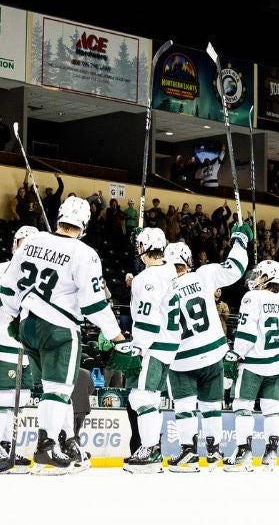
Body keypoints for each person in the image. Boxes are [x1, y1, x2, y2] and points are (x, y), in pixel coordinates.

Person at [0, 196, 126, 474]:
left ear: (60, 217)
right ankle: (47, 446)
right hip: (59, 328)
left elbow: (7, 287)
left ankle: (64, 443)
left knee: (49, 389)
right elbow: (94, 304)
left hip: (27, 325)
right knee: (59, 390)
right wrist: (117, 336)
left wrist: (12, 318)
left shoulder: (33, 241)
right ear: (84, 224)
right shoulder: (85, 253)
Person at [164, 222, 252, 473]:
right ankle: (214, 450)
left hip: (180, 358)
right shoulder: (203, 274)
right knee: (212, 405)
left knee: (184, 407)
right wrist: (239, 242)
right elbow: (235, 269)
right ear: (187, 260)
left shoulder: (161, 285)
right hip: (213, 351)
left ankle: (188, 451)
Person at [223, 260, 279, 472]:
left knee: (243, 406)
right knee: (272, 409)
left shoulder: (252, 297)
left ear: (270, 277)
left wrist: (237, 352)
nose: (255, 278)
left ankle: (244, 452)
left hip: (254, 361)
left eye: (260, 275)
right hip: (277, 361)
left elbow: (247, 332)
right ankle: (271, 453)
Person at [121, 227, 178, 474]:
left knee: (140, 397)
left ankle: (149, 449)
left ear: (143, 248)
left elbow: (147, 317)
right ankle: (151, 448)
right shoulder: (170, 270)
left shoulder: (148, 278)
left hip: (153, 343)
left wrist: (138, 348)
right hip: (170, 342)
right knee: (152, 398)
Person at [0, 225, 39, 473]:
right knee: (3, 398)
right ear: (14, 245)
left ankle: (7, 447)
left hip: (25, 346)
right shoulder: (3, 269)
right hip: (3, 342)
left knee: (21, 399)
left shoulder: (39, 275)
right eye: (21, 243)